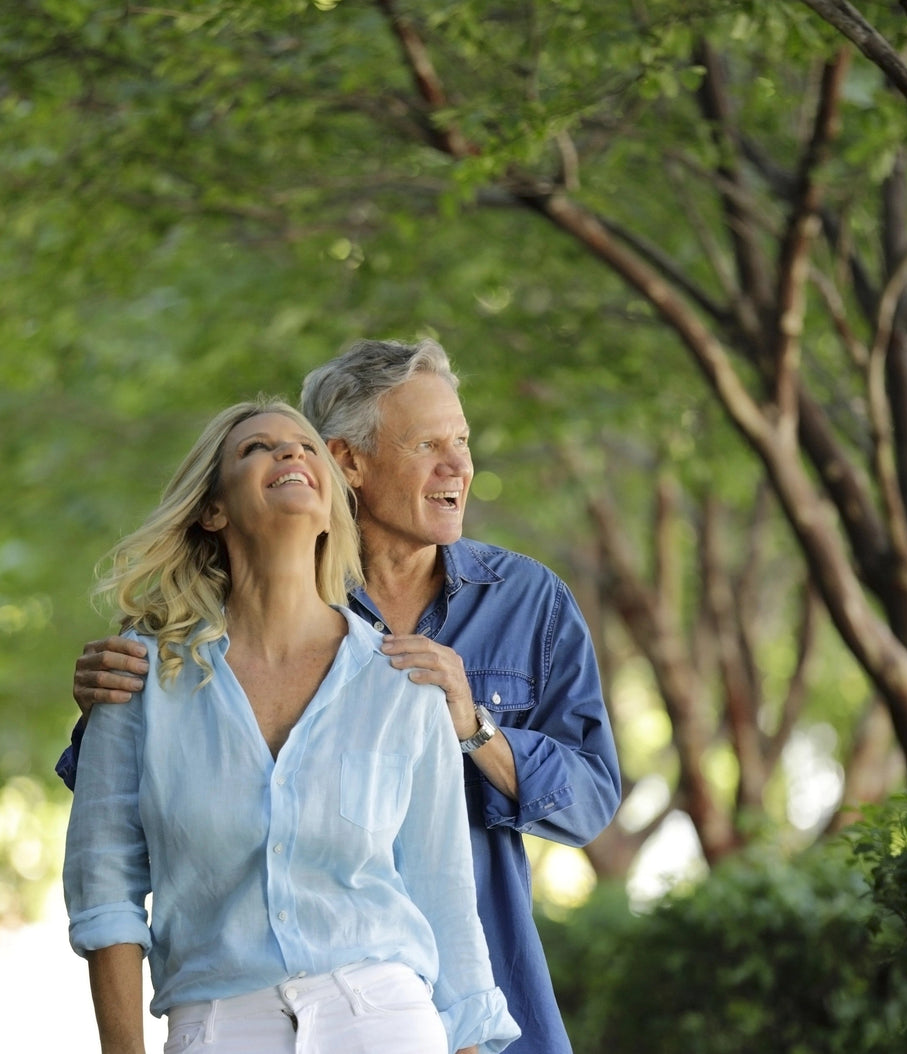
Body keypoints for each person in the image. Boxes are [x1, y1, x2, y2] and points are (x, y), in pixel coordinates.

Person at [63, 341, 622, 1054]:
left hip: (462, 1002)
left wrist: (475, 729)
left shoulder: (526, 602)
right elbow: (118, 837)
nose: (459, 466)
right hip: (225, 1012)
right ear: (347, 463)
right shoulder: (196, 643)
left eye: (462, 441)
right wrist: (106, 703)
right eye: (428, 445)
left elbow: (587, 804)